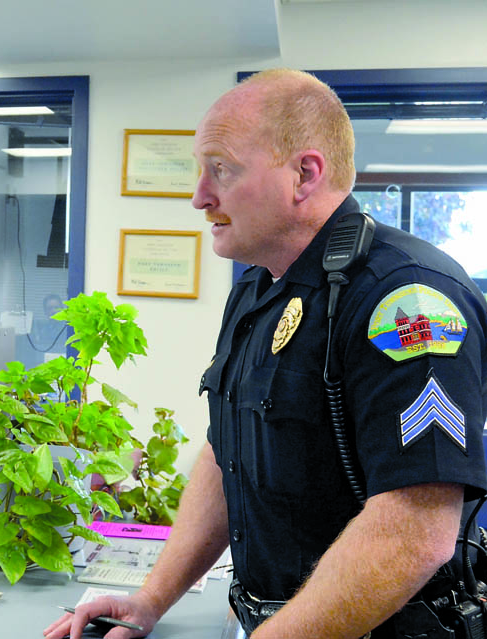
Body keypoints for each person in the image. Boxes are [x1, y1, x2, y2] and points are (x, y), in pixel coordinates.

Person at [44, 68, 487, 639]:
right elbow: (228, 454)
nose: (200, 195)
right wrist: (152, 599)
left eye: (221, 169)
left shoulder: (408, 300)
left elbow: (413, 531)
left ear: (304, 173)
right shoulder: (258, 288)